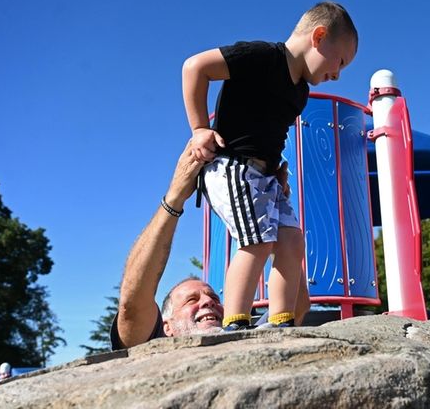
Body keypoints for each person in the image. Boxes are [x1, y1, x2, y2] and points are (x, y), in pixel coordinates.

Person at [182, 1, 358, 330]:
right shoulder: (261, 57)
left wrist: (277, 167)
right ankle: (235, 322)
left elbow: (272, 132)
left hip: (264, 175)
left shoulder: (300, 91)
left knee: (292, 241)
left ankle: (280, 321)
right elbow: (195, 67)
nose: (337, 74)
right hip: (232, 165)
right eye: (341, 62)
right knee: (257, 240)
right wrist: (199, 130)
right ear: (318, 37)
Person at [111, 141, 310, 350]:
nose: (209, 302)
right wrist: (174, 198)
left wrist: (272, 214)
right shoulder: (155, 351)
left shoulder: (248, 337)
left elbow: (299, 304)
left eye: (215, 297)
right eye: (191, 300)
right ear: (166, 327)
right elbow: (132, 305)